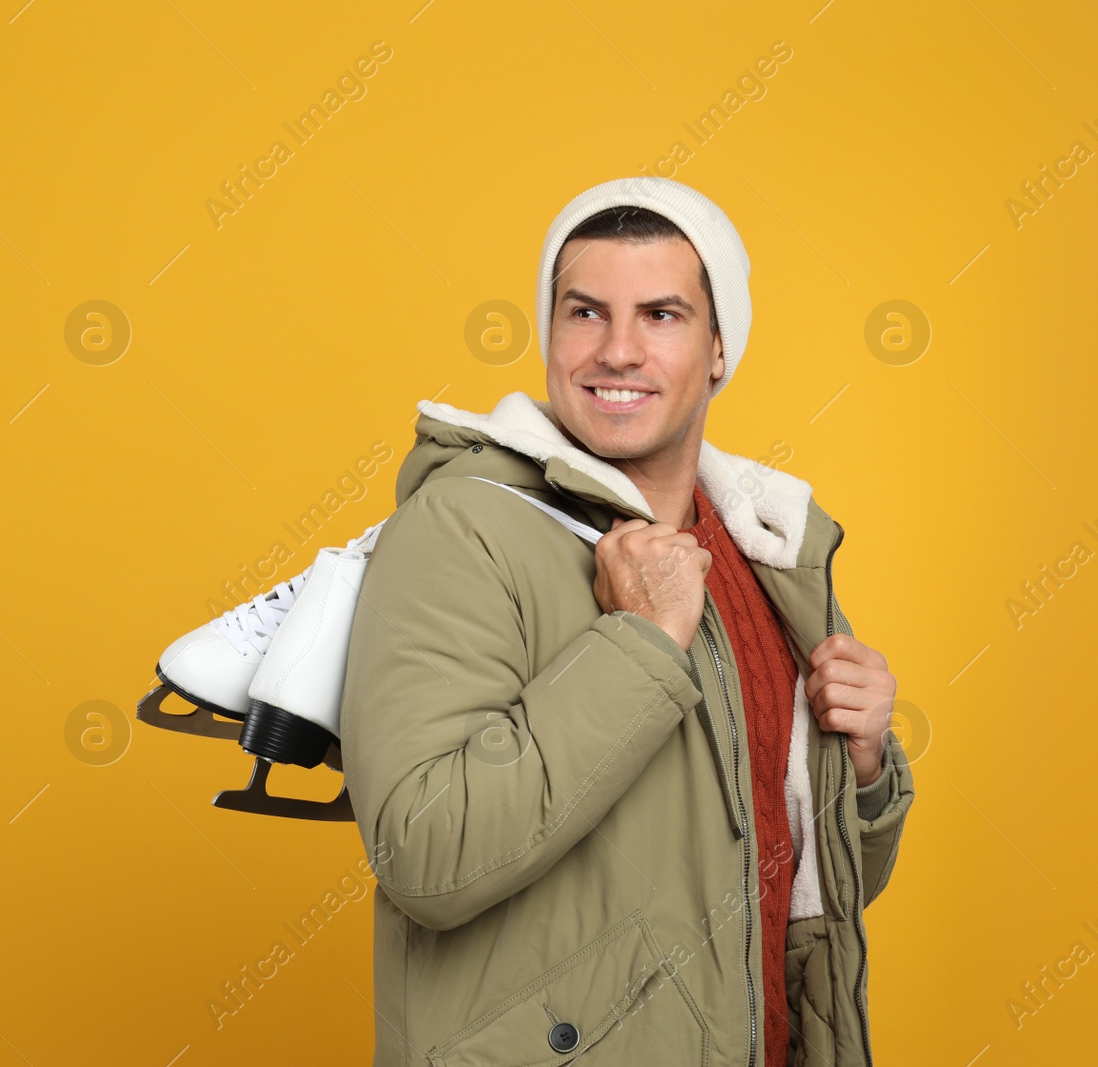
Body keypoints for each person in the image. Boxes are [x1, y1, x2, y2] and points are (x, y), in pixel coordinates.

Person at [339, 175, 914, 1066]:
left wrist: (864, 766)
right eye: (584, 313)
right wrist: (639, 645)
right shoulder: (466, 529)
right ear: (549, 332)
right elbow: (427, 855)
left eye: (660, 314)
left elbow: (792, 887)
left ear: (719, 347)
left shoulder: (765, 560)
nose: (616, 350)